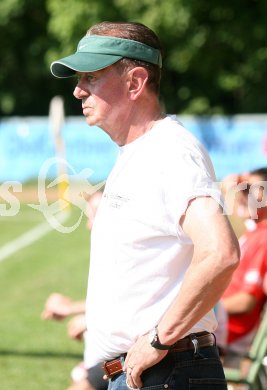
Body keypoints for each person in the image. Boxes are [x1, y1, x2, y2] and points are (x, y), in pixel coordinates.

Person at [50, 21, 240, 389]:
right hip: (147, 373)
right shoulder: (140, 152)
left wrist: (158, 339)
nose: (77, 90)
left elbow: (220, 252)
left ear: (135, 82)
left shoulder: (169, 151)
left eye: (91, 77)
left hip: (167, 371)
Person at [42, 191, 107, 390]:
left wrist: (91, 321)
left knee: (83, 383)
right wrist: (71, 308)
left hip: (131, 360)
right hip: (118, 359)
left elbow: (144, 307)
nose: (89, 225)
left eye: (95, 215)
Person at [218, 168, 267, 360]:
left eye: (251, 189)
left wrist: (206, 307)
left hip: (230, 334)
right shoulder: (252, 234)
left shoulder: (263, 237)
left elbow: (246, 301)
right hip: (221, 328)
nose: (242, 194)